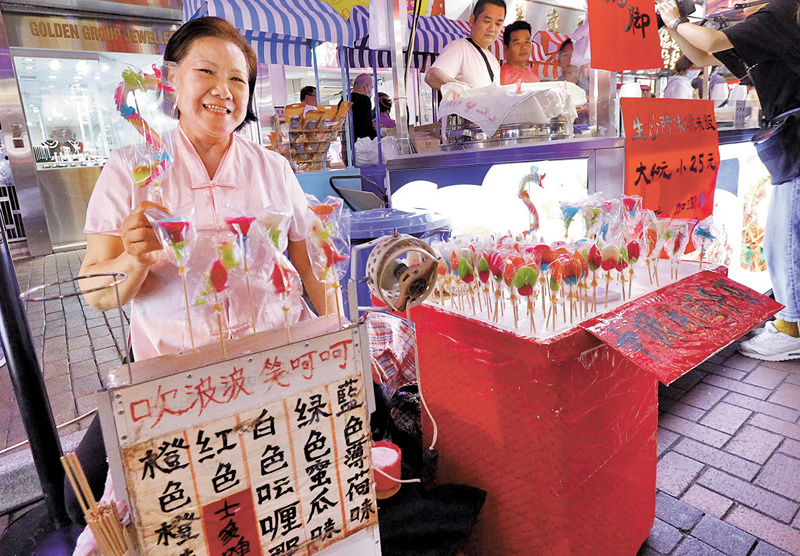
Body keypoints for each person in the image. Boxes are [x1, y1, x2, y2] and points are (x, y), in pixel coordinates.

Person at [67, 16, 335, 525]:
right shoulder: (132, 167)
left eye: (238, 79)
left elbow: (308, 264)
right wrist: (134, 259)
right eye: (205, 72)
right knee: (198, 515)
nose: (223, 91)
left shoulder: (273, 167)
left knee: (277, 501)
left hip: (272, 371)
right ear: (171, 81)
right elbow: (96, 291)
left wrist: (336, 342)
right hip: (177, 386)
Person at [658, 0, 800, 361]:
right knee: (784, 237)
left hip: (797, 144)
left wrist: (674, 19)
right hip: (792, 144)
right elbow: (706, 57)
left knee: (785, 239)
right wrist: (676, 27)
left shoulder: (780, 13)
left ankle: (790, 326)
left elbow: (708, 42)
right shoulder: (778, 19)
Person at [424, 0, 505, 91]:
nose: (492, 29)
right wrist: (463, 89)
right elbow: (432, 76)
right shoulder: (459, 47)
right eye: (487, 21)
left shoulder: (493, 60)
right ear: (472, 20)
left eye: (498, 24)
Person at [500, 20, 540, 86]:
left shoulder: (534, 73)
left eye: (527, 42)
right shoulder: (501, 75)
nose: (524, 47)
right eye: (517, 43)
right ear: (506, 48)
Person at [350, 73, 377, 140]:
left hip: (347, 142)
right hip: (360, 143)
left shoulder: (344, 99)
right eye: (371, 87)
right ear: (366, 86)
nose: (371, 90)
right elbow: (366, 126)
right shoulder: (364, 100)